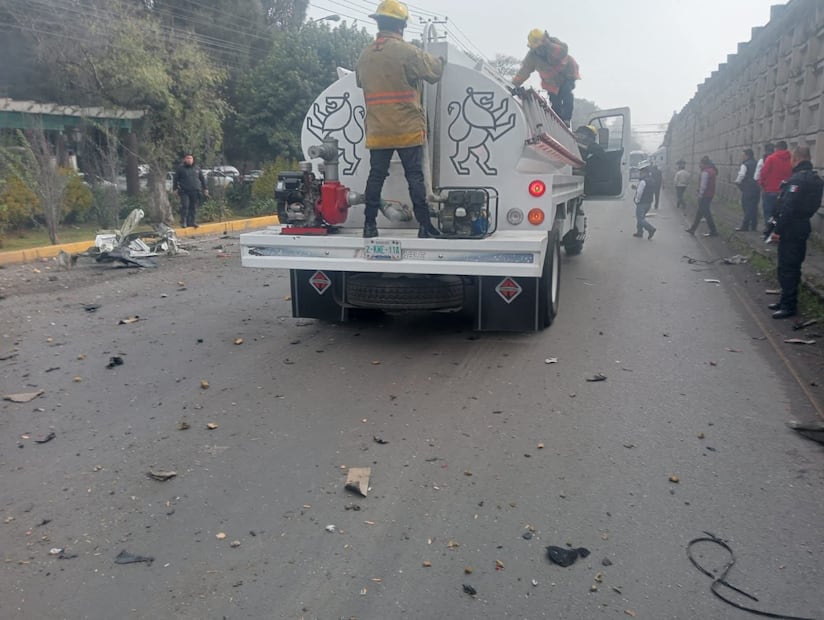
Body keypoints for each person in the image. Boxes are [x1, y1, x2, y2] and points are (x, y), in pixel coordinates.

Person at [356, 0, 444, 239]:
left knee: (376, 176)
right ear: (401, 26)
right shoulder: (407, 52)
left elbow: (360, 82)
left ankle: (369, 226)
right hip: (407, 127)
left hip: (377, 129)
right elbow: (435, 72)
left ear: (379, 23)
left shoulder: (365, 55)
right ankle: (425, 227)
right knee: (414, 177)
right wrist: (441, 61)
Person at [766, 146, 823, 319]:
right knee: (793, 265)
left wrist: (777, 230)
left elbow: (788, 207)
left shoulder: (798, 179)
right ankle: (785, 301)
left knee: (787, 267)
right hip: (802, 225)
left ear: (796, 159)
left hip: (791, 227)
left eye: (791, 159)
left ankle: (788, 306)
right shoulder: (815, 178)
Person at [512, 29, 580, 124]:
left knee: (566, 93)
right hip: (551, 82)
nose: (539, 50)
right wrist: (514, 84)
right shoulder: (532, 57)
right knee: (555, 101)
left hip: (566, 75)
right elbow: (524, 71)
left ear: (544, 41)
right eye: (536, 48)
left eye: (540, 47)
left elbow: (563, 51)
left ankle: (566, 119)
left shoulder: (554, 44)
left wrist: (549, 45)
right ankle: (558, 121)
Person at [759, 139, 792, 224]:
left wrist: (762, 185)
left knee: (769, 212)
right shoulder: (792, 160)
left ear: (777, 148)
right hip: (785, 192)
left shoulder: (771, 158)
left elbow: (763, 173)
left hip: (770, 190)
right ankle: (777, 232)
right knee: (780, 213)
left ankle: (768, 232)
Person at [685, 155, 718, 237]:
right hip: (710, 194)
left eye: (700, 164)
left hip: (704, 196)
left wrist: (700, 195)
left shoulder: (705, 172)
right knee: (699, 213)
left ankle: (713, 231)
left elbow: (703, 185)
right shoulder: (712, 171)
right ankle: (693, 229)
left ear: (704, 164)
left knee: (707, 214)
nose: (699, 165)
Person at [173, 153, 207, 228]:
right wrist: (174, 189)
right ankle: (184, 222)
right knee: (185, 206)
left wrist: (205, 188)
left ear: (193, 160)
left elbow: (202, 179)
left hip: (195, 191)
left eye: (191, 158)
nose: (189, 160)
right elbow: (175, 179)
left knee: (193, 207)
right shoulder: (180, 168)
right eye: (187, 158)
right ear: (185, 159)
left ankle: (192, 222)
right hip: (184, 191)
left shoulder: (197, 168)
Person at [734, 148, 760, 231]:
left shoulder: (745, 164)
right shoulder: (757, 163)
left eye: (743, 155)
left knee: (746, 206)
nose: (742, 157)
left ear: (747, 155)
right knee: (754, 207)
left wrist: (737, 182)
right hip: (757, 187)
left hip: (748, 188)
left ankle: (745, 225)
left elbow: (741, 175)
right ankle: (754, 225)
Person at [632, 164, 656, 240]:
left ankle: (651, 229)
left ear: (644, 172)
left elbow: (640, 192)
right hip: (649, 202)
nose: (640, 174)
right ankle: (639, 232)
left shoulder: (643, 181)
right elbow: (647, 190)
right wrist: (636, 187)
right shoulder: (651, 180)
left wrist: (637, 200)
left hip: (642, 202)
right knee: (641, 217)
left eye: (641, 172)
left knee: (640, 219)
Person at [754, 142, 774, 224]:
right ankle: (775, 231)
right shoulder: (779, 159)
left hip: (767, 188)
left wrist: (761, 186)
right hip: (780, 189)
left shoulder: (763, 160)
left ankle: (768, 230)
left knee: (767, 211)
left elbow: (757, 176)